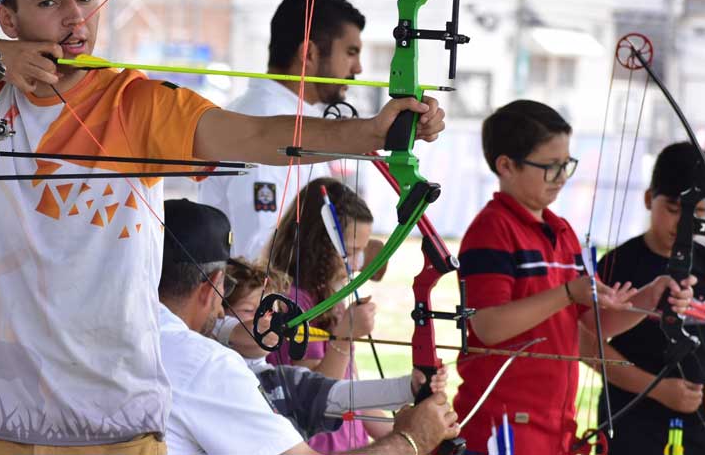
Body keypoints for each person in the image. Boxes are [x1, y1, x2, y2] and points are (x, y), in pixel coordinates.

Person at [0, 0, 446, 453]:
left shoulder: (137, 102)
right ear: (8, 17)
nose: (74, 19)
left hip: (114, 424)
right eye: (48, 2)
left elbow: (257, 134)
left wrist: (370, 132)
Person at [454, 100, 694, 455]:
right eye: (550, 167)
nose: (563, 177)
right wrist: (568, 293)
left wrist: (651, 297)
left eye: (566, 164)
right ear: (506, 165)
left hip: (554, 427)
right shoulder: (491, 230)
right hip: (502, 429)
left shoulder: (562, 232)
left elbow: (593, 325)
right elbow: (487, 326)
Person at [158, 198, 459, 455]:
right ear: (211, 292)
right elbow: (228, 336)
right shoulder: (206, 365)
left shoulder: (133, 331)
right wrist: (411, 439)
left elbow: (331, 393)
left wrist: (408, 387)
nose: (263, 321)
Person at [199, 0, 365, 259]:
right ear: (309, 54)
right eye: (350, 52)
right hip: (265, 300)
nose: (358, 68)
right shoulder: (262, 117)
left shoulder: (297, 117)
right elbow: (259, 255)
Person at [221, 254, 447, 453]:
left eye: (273, 312)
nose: (268, 320)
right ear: (219, 312)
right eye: (249, 311)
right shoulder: (212, 369)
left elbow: (345, 394)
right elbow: (231, 330)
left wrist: (410, 387)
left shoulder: (285, 381)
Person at [591, 142, 705, 453]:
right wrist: (657, 389)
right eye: (672, 210)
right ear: (647, 198)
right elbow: (589, 344)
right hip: (631, 421)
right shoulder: (619, 264)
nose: (683, 224)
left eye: (697, 213)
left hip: (696, 429)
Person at [266, 177, 384, 450]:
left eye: (361, 253)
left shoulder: (330, 297)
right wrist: (344, 337)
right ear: (317, 242)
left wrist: (407, 429)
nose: (355, 265)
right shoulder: (289, 303)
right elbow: (313, 395)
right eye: (349, 251)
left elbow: (349, 388)